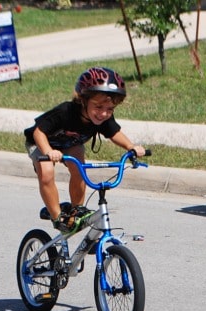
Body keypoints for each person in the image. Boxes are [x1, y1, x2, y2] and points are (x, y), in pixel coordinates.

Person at [24, 66, 146, 234]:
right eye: (98, 107)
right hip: (41, 142)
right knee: (46, 173)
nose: (103, 114)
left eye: (110, 109)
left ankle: (76, 210)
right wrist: (48, 152)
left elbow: (114, 132)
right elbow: (39, 131)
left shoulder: (102, 119)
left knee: (79, 169)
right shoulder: (66, 111)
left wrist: (131, 147)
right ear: (83, 100)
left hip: (69, 144)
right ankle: (57, 217)